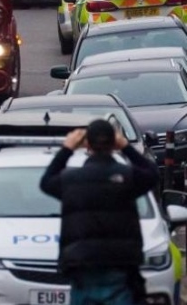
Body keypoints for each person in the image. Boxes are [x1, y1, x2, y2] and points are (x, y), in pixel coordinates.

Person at [40, 119, 158, 305]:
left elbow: (46, 182)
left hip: (82, 263)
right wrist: (126, 147)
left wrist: (67, 149)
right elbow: (152, 173)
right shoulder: (127, 176)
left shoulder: (71, 179)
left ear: (87, 144)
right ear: (114, 143)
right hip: (120, 262)